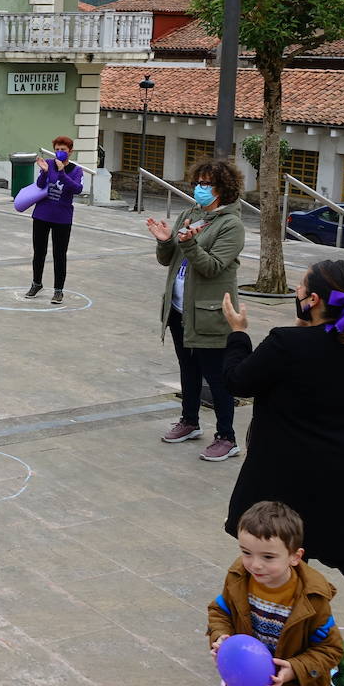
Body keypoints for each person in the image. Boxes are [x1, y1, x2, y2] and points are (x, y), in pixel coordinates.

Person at [220, 260, 344, 674]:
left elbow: (238, 381)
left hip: (289, 479)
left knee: (269, 558)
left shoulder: (287, 344)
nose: (297, 295)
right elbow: (329, 357)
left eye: (300, 289)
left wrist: (238, 333)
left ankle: (264, 641)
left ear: (314, 299)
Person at [146, 157, 245, 462]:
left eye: (207, 183)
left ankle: (227, 438)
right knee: (188, 369)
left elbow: (213, 267)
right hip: (180, 309)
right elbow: (169, 259)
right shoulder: (190, 214)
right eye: (198, 183)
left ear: (223, 188)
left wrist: (189, 244)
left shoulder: (232, 225)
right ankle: (190, 421)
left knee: (216, 377)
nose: (200, 188)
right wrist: (165, 242)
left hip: (210, 313)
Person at [207, 501, 344, 686]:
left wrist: (296, 669)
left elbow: (331, 649)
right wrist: (221, 637)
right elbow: (220, 612)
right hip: (246, 681)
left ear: (295, 556)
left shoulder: (312, 599)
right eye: (246, 552)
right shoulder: (238, 579)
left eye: (268, 557)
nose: (255, 565)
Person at [27, 136, 84, 304]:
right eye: (57, 149)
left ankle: (58, 290)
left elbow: (77, 189)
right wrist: (44, 172)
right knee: (39, 252)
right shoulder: (49, 164)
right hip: (42, 214)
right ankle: (36, 283)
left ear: (70, 152)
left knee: (59, 254)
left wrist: (61, 172)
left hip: (62, 217)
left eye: (63, 150)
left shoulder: (76, 170)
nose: (59, 153)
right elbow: (39, 185)